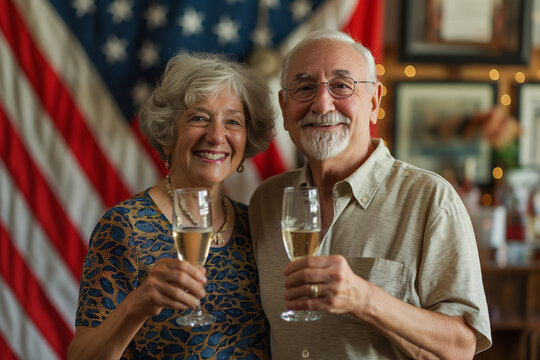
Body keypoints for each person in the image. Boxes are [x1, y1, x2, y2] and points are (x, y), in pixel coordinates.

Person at [249, 30, 491, 359]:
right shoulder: (265, 201)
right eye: (305, 88)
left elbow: (461, 348)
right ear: (284, 106)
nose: (321, 104)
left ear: (374, 102)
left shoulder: (431, 199)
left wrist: (366, 298)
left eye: (342, 85)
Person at [68, 52, 275, 359]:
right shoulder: (125, 226)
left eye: (233, 121)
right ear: (168, 134)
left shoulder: (254, 225)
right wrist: (136, 306)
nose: (217, 136)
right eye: (199, 118)